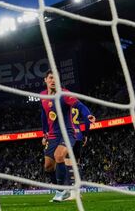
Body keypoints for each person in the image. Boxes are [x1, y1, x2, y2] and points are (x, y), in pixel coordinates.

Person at [40, 70, 92, 203]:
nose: (53, 80)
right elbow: (44, 115)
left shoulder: (64, 94)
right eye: (51, 78)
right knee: (48, 166)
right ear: (45, 80)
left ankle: (64, 190)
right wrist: (44, 133)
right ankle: (61, 190)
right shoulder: (42, 96)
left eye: (55, 78)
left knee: (59, 156)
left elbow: (80, 105)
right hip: (52, 135)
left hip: (68, 132)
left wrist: (88, 115)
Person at [66, 99, 95, 201]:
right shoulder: (77, 104)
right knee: (76, 165)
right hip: (78, 136)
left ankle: (73, 192)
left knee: (68, 164)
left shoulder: (62, 103)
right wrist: (86, 134)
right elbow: (87, 118)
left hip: (68, 136)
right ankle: (77, 191)